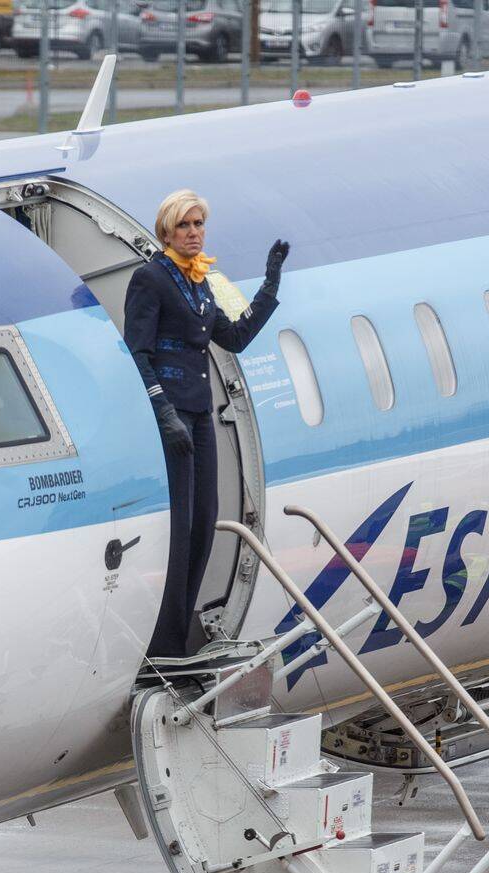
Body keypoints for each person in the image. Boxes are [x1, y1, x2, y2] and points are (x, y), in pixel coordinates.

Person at [124, 189, 288, 658]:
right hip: (172, 415)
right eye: (185, 226)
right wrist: (163, 411)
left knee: (205, 519)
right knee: (181, 526)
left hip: (198, 414)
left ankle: (180, 629)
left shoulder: (199, 282)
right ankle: (164, 639)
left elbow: (233, 338)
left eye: (199, 225)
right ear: (167, 232)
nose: (195, 233)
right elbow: (138, 351)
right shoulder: (150, 279)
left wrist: (270, 285)